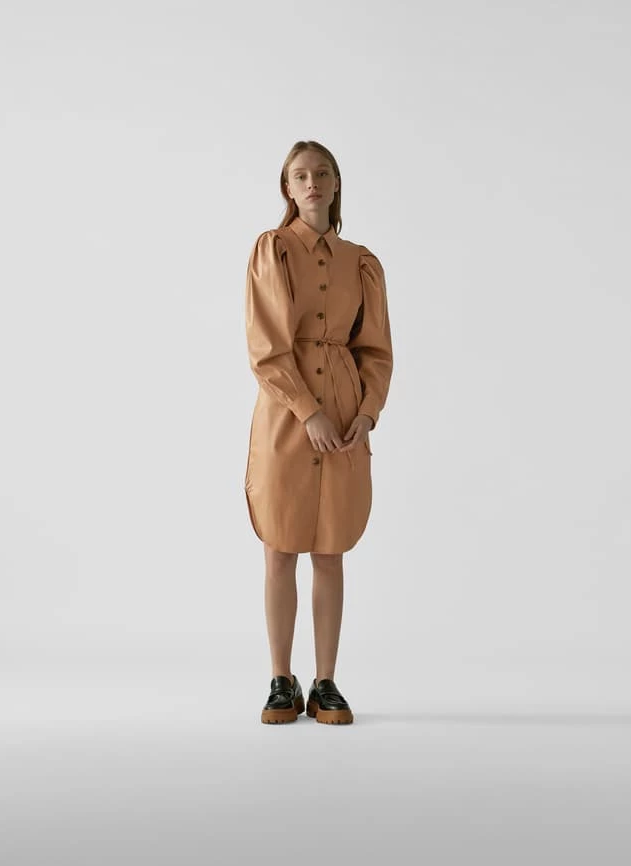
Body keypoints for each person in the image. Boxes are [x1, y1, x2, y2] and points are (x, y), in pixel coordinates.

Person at [244, 140, 393, 725]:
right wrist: (309, 412)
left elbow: (375, 350)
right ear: (287, 187)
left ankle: (325, 681)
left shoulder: (362, 262)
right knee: (280, 547)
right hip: (286, 417)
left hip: (347, 418)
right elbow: (266, 348)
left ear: (336, 184)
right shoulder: (273, 250)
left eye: (322, 173)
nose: (312, 183)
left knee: (331, 549)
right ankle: (281, 680)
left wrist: (367, 412)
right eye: (301, 175)